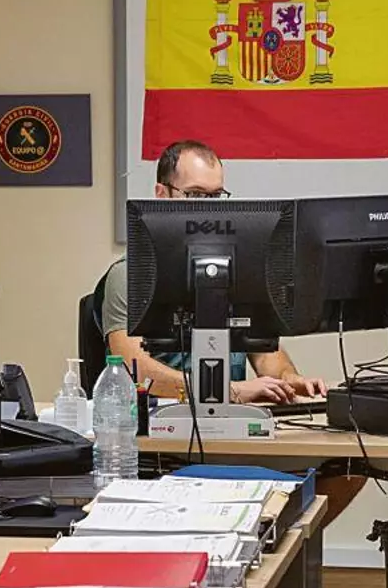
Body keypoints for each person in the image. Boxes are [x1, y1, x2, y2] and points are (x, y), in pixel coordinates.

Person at [99, 140, 327, 403]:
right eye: (196, 195)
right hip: (160, 418)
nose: (209, 208)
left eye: (216, 196)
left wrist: (287, 378)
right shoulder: (129, 276)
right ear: (162, 195)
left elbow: (264, 350)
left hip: (234, 416)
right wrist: (229, 391)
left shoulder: (241, 268)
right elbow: (133, 367)